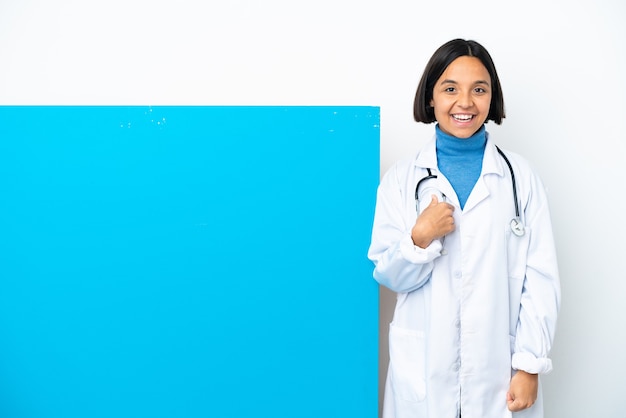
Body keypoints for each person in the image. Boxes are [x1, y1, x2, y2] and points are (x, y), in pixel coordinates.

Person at [367, 39, 561, 418]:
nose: (466, 102)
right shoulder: (402, 179)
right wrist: (419, 238)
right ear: (430, 98)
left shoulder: (520, 178)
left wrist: (529, 365)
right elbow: (388, 274)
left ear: (492, 98)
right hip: (423, 373)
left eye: (479, 89)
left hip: (498, 377)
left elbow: (540, 279)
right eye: (450, 88)